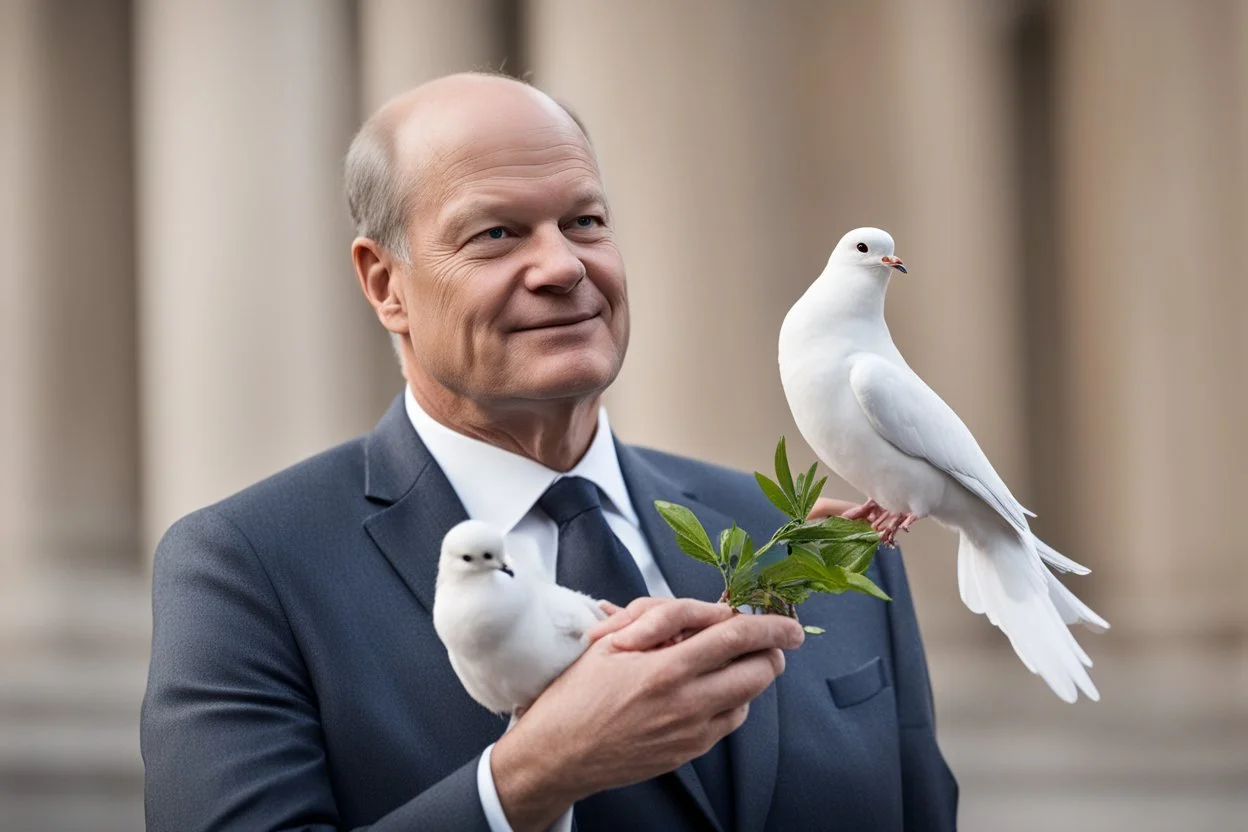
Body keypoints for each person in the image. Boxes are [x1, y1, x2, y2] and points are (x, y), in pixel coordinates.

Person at [141, 72, 957, 832]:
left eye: (585, 222)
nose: (564, 267)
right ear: (386, 284)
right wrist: (525, 781)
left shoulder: (824, 544)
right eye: (496, 233)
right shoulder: (246, 572)